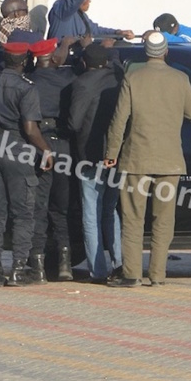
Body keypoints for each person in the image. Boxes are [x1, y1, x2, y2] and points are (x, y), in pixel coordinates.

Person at [104, 30, 191, 287]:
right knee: (163, 220)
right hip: (170, 161)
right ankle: (158, 276)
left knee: (133, 218)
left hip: (136, 159)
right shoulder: (181, 79)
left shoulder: (132, 77)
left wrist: (111, 154)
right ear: (166, 52)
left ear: (145, 52)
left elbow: (119, 119)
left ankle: (132, 274)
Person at [0, 42, 54, 287]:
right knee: (22, 213)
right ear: (25, 61)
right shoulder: (27, 88)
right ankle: (18, 269)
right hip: (17, 150)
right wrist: (46, 150)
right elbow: (30, 128)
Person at [68, 44, 124, 283]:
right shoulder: (119, 79)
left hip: (90, 154)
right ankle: (120, 263)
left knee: (91, 211)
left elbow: (74, 122)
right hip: (116, 154)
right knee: (111, 210)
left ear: (85, 63)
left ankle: (98, 271)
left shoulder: (82, 83)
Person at [26, 37, 77, 283]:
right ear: (51, 56)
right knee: (61, 208)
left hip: (39, 145)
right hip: (63, 145)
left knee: (39, 208)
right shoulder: (67, 80)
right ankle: (65, 263)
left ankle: (37, 266)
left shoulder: (29, 82)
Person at [0, 0, 43, 72]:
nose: (28, 14)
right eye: (26, 10)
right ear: (17, 14)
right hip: (24, 80)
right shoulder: (32, 38)